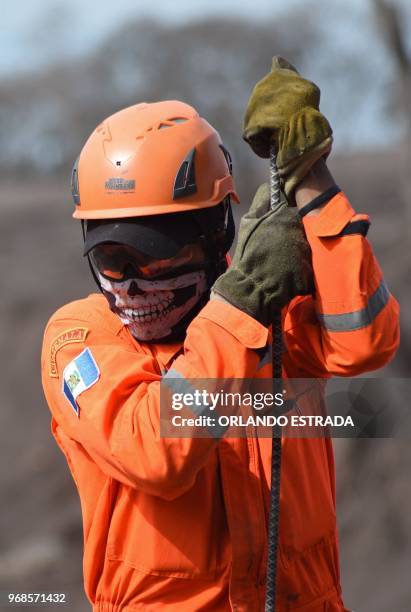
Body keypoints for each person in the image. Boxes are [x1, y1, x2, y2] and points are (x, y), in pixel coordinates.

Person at [41, 58, 399, 611]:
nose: (134, 285)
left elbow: (365, 339)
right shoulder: (80, 337)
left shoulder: (270, 317)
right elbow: (158, 452)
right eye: (113, 259)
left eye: (158, 258)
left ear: (215, 236)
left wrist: (313, 186)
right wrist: (240, 299)